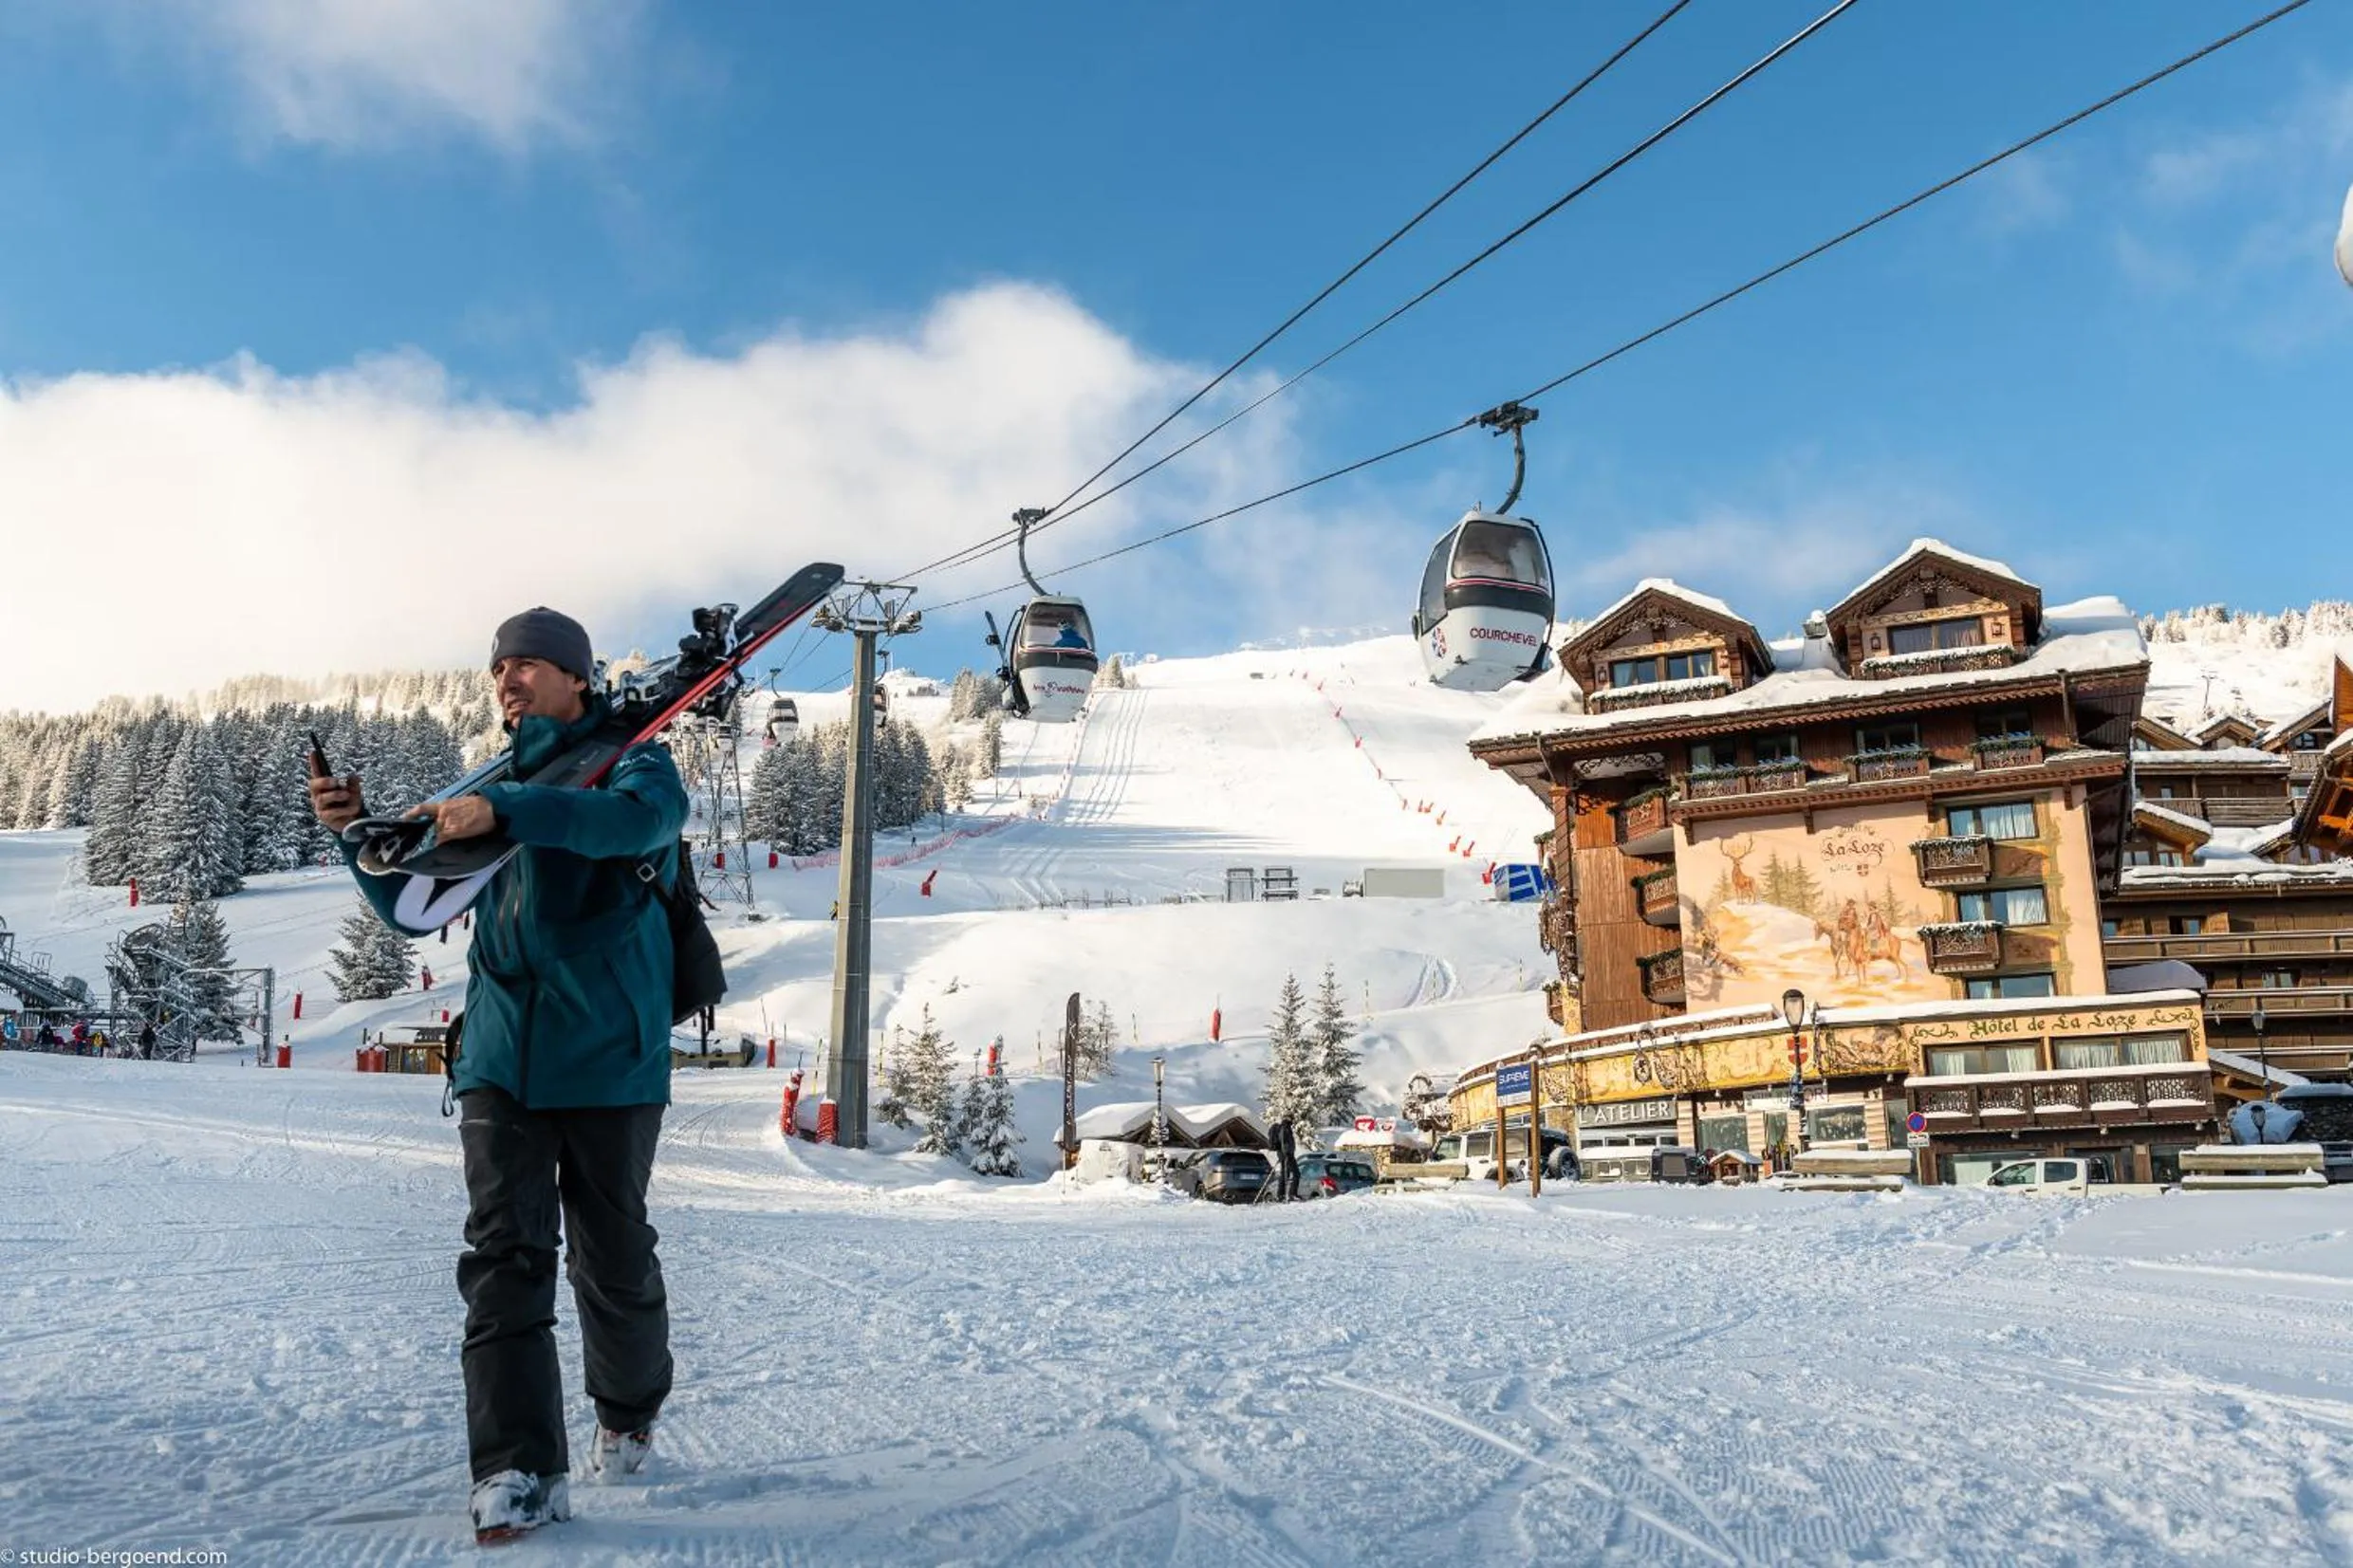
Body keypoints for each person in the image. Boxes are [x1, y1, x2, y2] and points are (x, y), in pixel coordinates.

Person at [312, 605, 689, 1545]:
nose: (508, 681)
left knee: (613, 1261)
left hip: (609, 1058)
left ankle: (629, 1409)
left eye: (528, 665)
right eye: (498, 670)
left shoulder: (630, 760)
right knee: (503, 1260)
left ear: (576, 679)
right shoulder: (485, 783)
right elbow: (413, 904)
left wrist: (511, 810)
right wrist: (359, 833)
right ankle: (516, 1469)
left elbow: (642, 824)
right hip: (498, 1061)